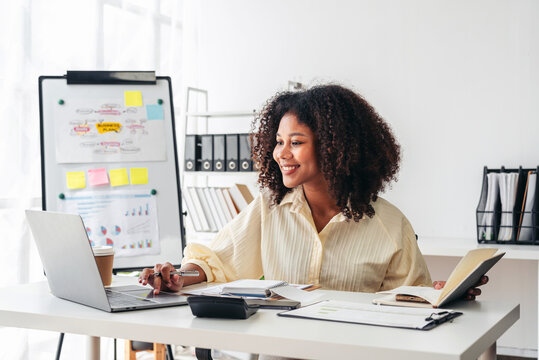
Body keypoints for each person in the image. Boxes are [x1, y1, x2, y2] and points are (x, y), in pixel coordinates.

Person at [139, 83, 487, 299]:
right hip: (283, 351)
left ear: (335, 147)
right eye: (278, 142)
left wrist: (443, 293)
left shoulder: (390, 225)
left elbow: (411, 297)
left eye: (296, 142)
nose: (281, 154)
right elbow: (216, 262)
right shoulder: (270, 207)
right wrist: (177, 277)